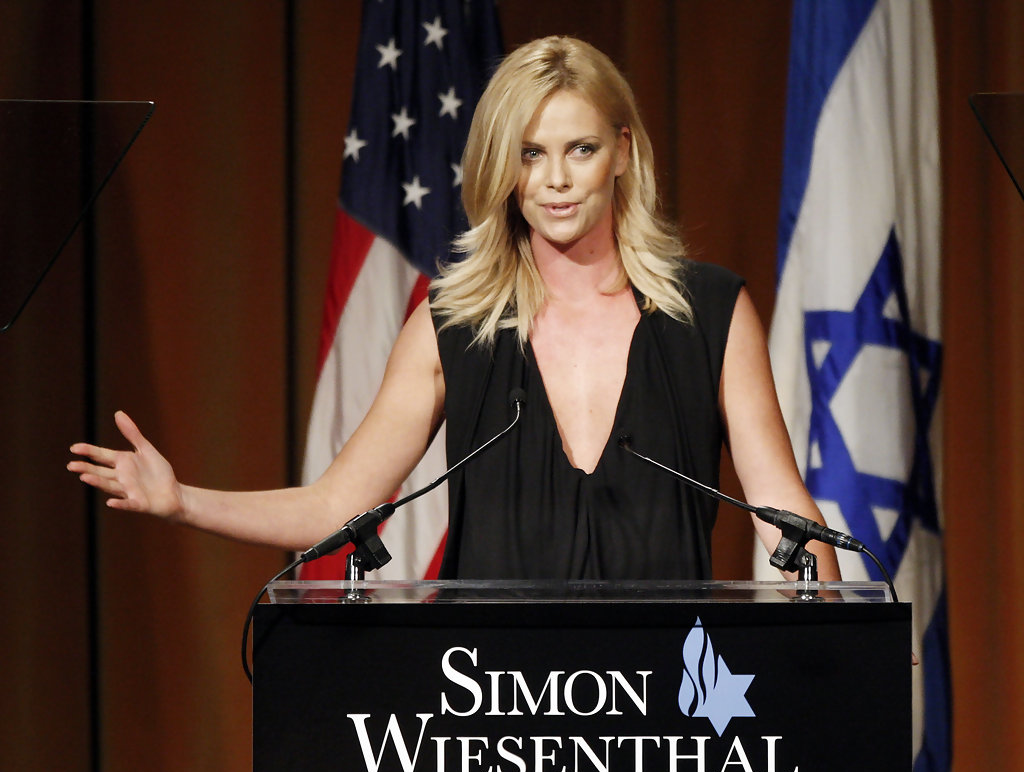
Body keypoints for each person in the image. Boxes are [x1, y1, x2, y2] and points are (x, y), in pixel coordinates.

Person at [68, 36, 840, 582]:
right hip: (490, 709)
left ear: (623, 153)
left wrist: (841, 649)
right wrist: (181, 502)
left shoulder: (710, 313)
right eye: (531, 154)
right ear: (503, 168)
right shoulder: (454, 327)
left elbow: (785, 515)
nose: (557, 179)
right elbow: (337, 505)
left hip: (669, 714)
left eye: (580, 149)